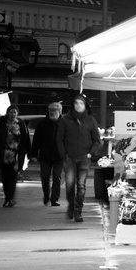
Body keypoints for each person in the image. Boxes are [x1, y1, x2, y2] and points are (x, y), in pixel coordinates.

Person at [54, 93, 104, 222]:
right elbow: (59, 138)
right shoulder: (65, 120)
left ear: (85, 105)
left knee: (81, 186)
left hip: (84, 158)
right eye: (76, 103)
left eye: (81, 103)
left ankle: (78, 211)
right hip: (69, 158)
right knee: (70, 184)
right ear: (73, 105)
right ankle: (71, 205)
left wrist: (91, 153)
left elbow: (96, 140)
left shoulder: (90, 120)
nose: (78, 105)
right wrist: (63, 154)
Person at [0, 105, 30, 207]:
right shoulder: (1, 124)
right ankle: (7, 198)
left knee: (13, 177)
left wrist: (30, 153)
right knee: (5, 178)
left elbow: (26, 139)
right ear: (7, 113)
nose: (13, 114)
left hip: (16, 155)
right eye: (11, 112)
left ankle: (10, 198)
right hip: (3, 154)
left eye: (15, 112)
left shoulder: (21, 124)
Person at [32, 100, 66, 205]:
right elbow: (36, 140)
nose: (52, 112)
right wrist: (33, 154)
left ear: (60, 111)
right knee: (45, 177)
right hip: (45, 156)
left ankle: (54, 198)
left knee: (57, 177)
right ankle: (46, 195)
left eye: (54, 110)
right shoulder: (42, 124)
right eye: (50, 110)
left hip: (59, 156)